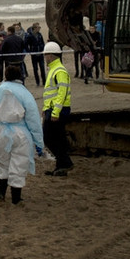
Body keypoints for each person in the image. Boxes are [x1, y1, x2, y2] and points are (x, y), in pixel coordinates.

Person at [0, 64, 44, 205]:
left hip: (0, 131)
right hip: (20, 133)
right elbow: (33, 118)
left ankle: (1, 194)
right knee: (19, 163)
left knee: (2, 162)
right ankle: (16, 198)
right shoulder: (24, 93)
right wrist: (38, 141)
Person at [42, 41, 73, 176]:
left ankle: (65, 163)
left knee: (50, 138)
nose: (45, 57)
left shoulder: (59, 70)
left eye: (45, 55)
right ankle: (61, 166)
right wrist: (45, 109)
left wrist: (55, 112)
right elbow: (51, 93)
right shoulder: (55, 69)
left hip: (58, 110)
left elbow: (62, 93)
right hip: (53, 109)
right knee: (56, 138)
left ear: (50, 55)